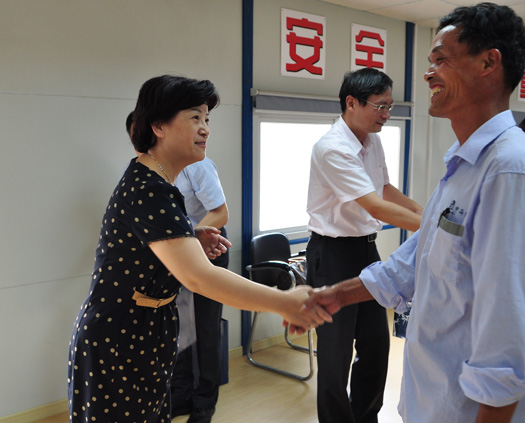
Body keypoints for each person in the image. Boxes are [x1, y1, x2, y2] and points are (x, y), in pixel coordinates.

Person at [302, 3, 525, 423]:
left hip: (464, 409)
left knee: (372, 350)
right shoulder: (465, 163)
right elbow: (411, 262)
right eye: (431, 62)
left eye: (441, 60)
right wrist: (336, 294)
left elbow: (509, 332)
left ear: (488, 63)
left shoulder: (511, 172)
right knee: (336, 361)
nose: (428, 74)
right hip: (430, 395)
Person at [68, 75, 331, 423]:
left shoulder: (158, 183)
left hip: (144, 331)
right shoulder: (149, 188)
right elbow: (199, 277)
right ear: (158, 126)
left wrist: (189, 235)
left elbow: (154, 245)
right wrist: (283, 301)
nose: (205, 128)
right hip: (120, 338)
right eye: (194, 117)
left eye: (207, 118)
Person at [306, 67, 423, 423]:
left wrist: (425, 212)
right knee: (335, 355)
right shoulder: (332, 148)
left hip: (366, 251)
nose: (386, 115)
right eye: (380, 106)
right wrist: (436, 229)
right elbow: (374, 206)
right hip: (332, 255)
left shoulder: (372, 140)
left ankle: (366, 417)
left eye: (389, 107)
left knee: (376, 346)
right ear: (351, 103)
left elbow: (384, 189)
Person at [171, 157, 229, 423]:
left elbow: (221, 213)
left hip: (209, 249)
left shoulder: (198, 165)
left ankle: (205, 402)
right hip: (178, 253)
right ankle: (180, 394)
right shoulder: (159, 167)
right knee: (180, 328)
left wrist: (188, 238)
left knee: (206, 329)